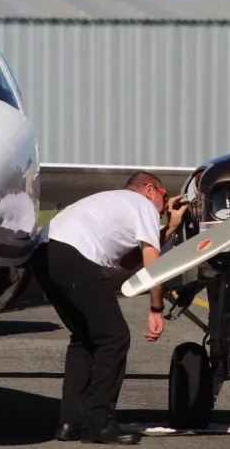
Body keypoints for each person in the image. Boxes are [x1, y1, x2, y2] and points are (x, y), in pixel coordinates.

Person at [32, 171, 188, 445]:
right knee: (114, 338)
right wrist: (156, 307)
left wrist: (171, 227)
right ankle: (99, 423)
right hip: (75, 256)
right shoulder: (143, 206)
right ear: (150, 190)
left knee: (85, 339)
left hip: (46, 255)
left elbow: (130, 261)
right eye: (164, 195)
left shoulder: (117, 202)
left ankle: (70, 423)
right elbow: (151, 261)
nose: (165, 203)